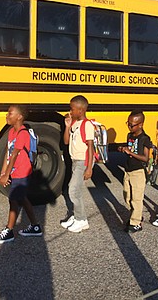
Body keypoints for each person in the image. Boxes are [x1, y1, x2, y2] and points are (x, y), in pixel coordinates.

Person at [0, 105, 43, 243]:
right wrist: (3, 172)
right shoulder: (11, 132)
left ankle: (9, 231)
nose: (6, 115)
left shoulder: (22, 133)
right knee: (22, 198)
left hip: (22, 171)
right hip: (14, 170)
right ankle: (35, 227)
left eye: (10, 113)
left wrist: (6, 175)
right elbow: (8, 153)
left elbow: (14, 155)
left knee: (13, 199)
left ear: (19, 117)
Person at [61, 95, 95, 233]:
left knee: (73, 190)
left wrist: (89, 168)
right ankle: (77, 216)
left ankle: (81, 220)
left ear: (80, 110)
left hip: (82, 162)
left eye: (72, 109)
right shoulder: (75, 124)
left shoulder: (87, 125)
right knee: (76, 190)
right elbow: (66, 141)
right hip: (75, 161)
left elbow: (91, 147)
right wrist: (67, 127)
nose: (70, 111)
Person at [117, 110, 152, 233]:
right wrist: (123, 149)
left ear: (141, 124)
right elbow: (129, 148)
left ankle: (136, 222)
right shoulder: (129, 135)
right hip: (128, 170)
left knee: (136, 198)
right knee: (127, 196)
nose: (129, 126)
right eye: (128, 123)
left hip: (138, 172)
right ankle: (136, 215)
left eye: (132, 125)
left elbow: (146, 158)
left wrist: (131, 153)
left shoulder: (145, 139)